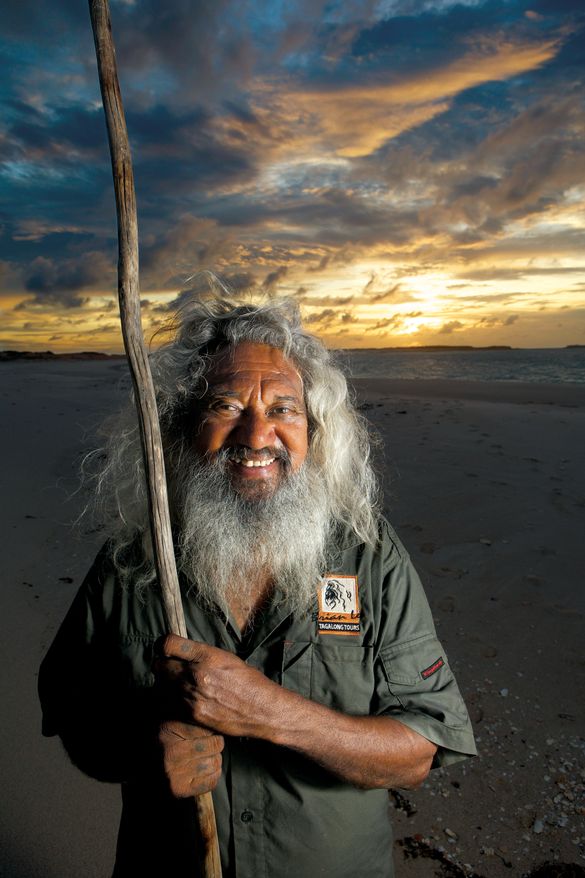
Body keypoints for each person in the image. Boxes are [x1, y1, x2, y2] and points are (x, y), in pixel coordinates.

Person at [39, 294, 476, 878]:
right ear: (183, 425)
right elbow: (74, 719)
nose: (257, 434)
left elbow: (420, 750)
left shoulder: (367, 557)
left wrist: (270, 712)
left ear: (314, 430)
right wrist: (144, 745)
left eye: (283, 409)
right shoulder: (133, 563)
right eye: (226, 405)